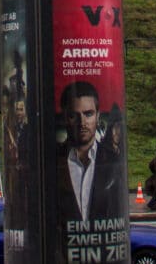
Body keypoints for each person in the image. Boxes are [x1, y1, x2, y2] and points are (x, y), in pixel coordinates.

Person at [56, 81, 121, 226]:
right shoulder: (51, 162)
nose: (82, 122)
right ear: (65, 118)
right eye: (74, 115)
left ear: (98, 116)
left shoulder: (114, 161)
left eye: (88, 114)